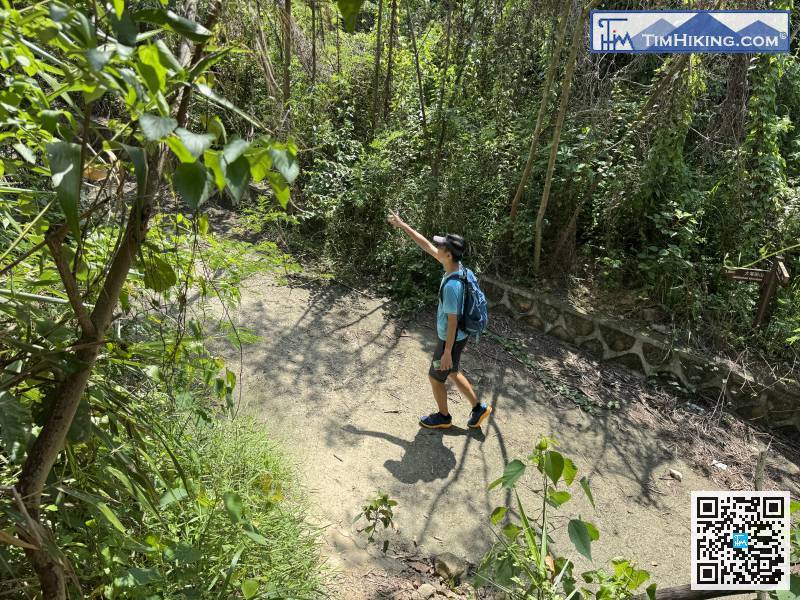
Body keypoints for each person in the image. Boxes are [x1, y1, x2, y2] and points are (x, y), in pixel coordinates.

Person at [387, 210, 492, 430]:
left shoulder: (452, 286)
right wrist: (403, 225)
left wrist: (446, 351)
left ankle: (443, 417)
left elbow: (452, 322)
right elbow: (426, 245)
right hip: (459, 336)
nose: (438, 248)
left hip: (450, 338)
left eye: (442, 246)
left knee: (436, 377)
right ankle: (478, 408)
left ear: (448, 254)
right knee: (452, 371)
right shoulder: (460, 269)